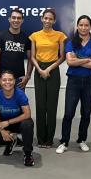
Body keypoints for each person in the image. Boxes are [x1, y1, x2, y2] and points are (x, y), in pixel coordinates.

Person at [56, 15, 91, 154]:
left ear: (90, 26)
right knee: (69, 112)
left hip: (89, 82)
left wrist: (79, 59)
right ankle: (64, 141)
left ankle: (82, 140)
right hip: (73, 81)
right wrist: (88, 59)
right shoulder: (71, 42)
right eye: (81, 25)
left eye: (86, 25)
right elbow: (70, 62)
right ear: (77, 26)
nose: (83, 27)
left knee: (86, 113)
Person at [30, 9, 67, 148]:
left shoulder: (60, 35)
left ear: (54, 21)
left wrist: (49, 69)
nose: (47, 21)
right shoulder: (34, 35)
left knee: (51, 106)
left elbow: (62, 56)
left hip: (53, 71)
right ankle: (40, 139)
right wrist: (40, 69)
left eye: (50, 19)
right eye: (45, 18)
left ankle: (49, 140)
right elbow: (32, 56)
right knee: (40, 106)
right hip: (39, 70)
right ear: (41, 18)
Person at [0, 70, 35, 166]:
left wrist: (8, 122)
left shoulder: (19, 94)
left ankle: (28, 154)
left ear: (14, 81)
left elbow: (27, 114)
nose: (7, 82)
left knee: (28, 124)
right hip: (6, 125)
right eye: (4, 80)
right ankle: (11, 141)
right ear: (0, 82)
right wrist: (2, 131)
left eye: (10, 80)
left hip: (19, 123)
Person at [0, 9, 32, 90]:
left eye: (19, 18)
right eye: (13, 18)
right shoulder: (0, 36)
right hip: (3, 78)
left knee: (19, 102)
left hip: (19, 79)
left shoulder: (26, 38)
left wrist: (27, 76)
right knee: (3, 102)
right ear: (9, 19)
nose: (16, 20)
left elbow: (30, 59)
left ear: (22, 20)